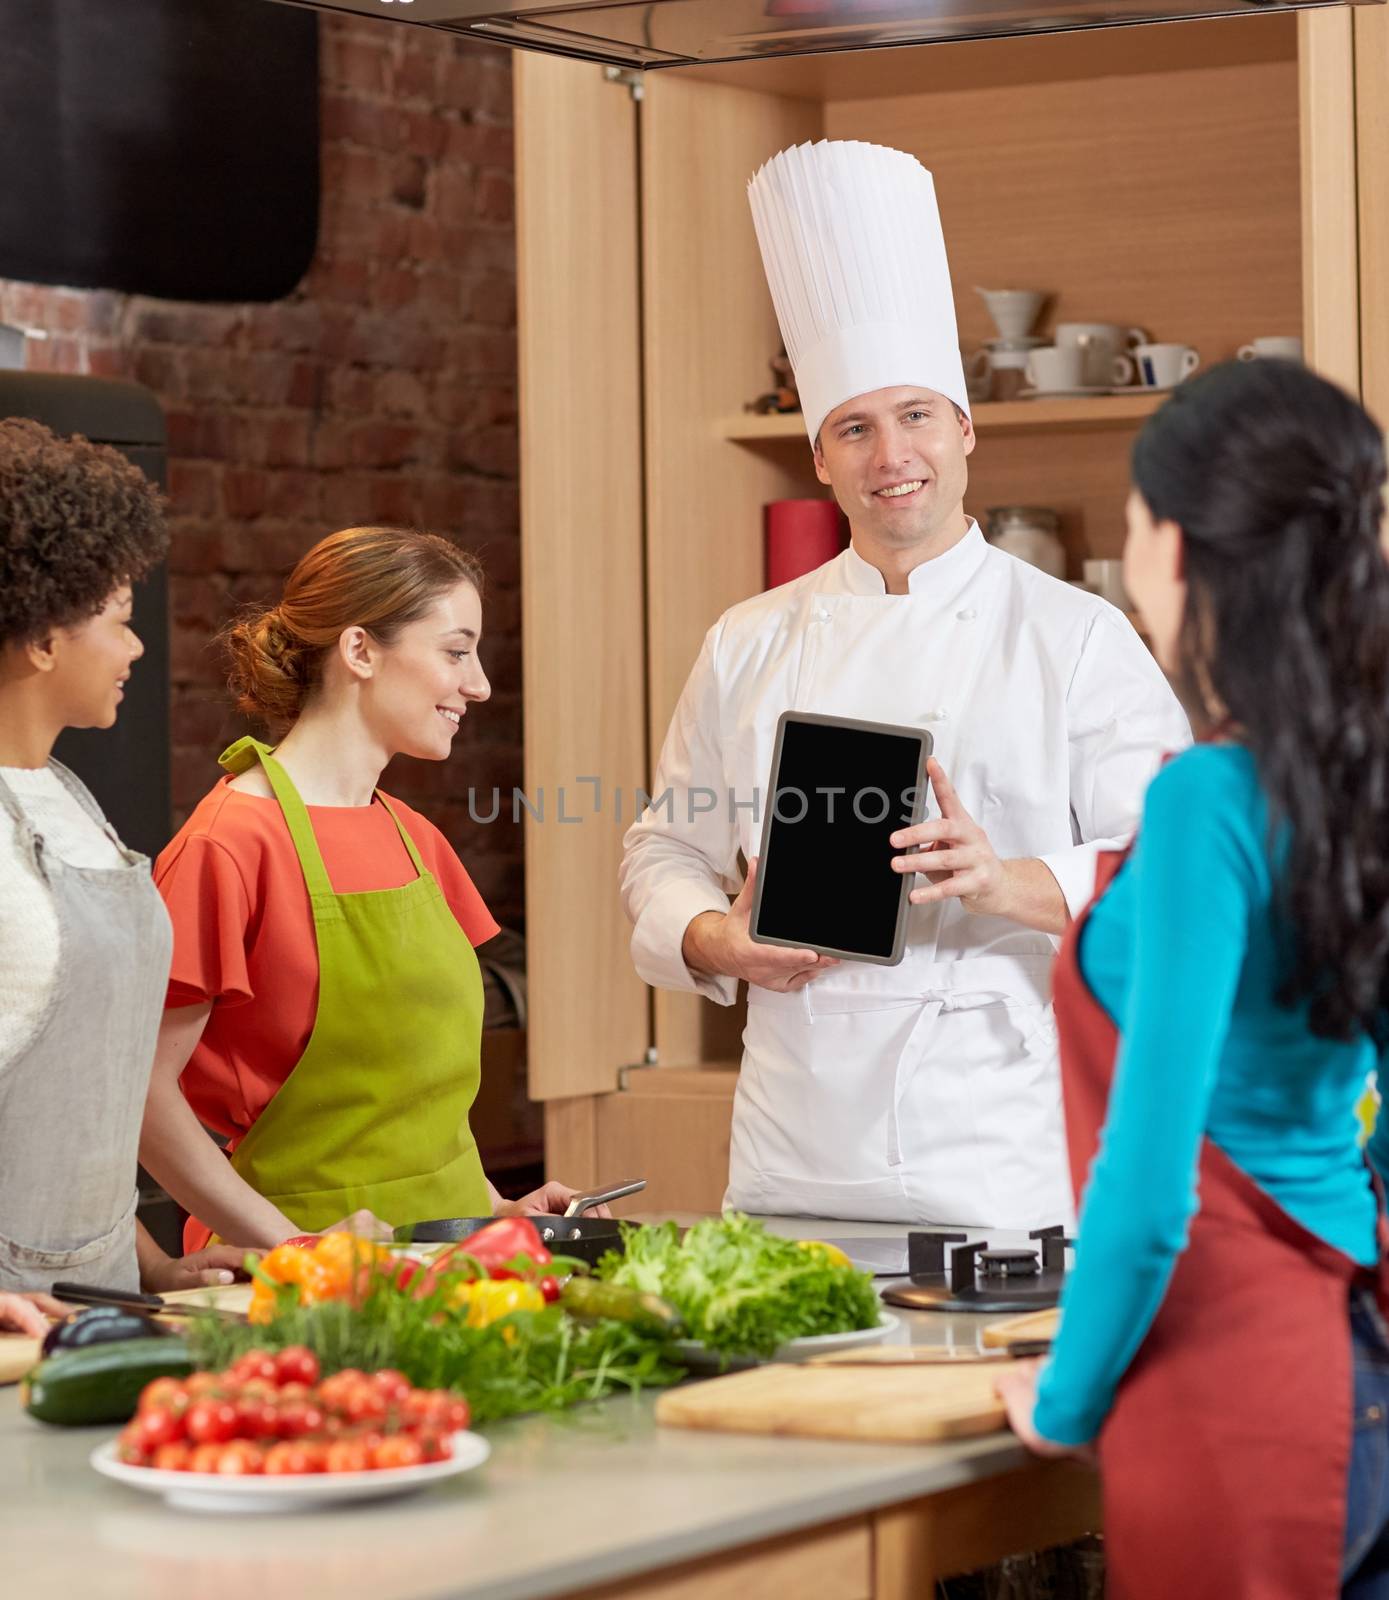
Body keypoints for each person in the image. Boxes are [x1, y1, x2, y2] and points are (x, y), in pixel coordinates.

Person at [620, 139, 1189, 1227]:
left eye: (917, 415)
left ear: (967, 430)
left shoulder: (1076, 636)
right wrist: (715, 939)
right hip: (793, 1152)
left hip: (1001, 1155)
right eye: (855, 427)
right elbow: (664, 845)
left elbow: (1169, 872)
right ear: (821, 457)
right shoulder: (747, 640)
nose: (893, 456)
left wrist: (1004, 877)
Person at [996, 358, 1389, 1597]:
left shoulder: (1206, 800)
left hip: (1229, 1389)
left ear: (1175, 547)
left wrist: (1063, 1400)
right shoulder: (1354, 785)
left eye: (1130, 521)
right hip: (1355, 1359)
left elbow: (1151, 1177)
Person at [140, 525, 600, 1251]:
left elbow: (405, 1109)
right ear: (359, 651)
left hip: (454, 1257)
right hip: (299, 1281)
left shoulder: (416, 839)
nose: (477, 684)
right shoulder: (227, 845)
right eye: (455, 651)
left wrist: (499, 1208)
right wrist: (291, 1247)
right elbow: (141, 1098)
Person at [0, 418, 246, 1335]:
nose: (136, 649)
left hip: (102, 1301)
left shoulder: (67, 798)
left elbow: (87, 1108)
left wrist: (156, 1267)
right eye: (119, 622)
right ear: (39, 640)